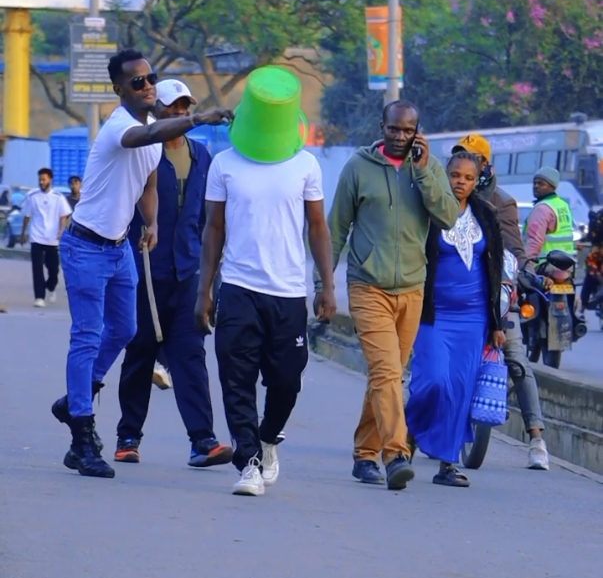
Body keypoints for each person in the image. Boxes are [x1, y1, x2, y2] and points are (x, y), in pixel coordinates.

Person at [51, 48, 233, 479]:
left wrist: (150, 223)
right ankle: (81, 435)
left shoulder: (151, 129)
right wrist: (197, 119)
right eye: (137, 82)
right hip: (85, 247)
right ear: (119, 90)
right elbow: (140, 143)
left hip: (119, 248)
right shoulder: (121, 127)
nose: (147, 85)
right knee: (88, 336)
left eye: (151, 77)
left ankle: (77, 394)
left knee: (127, 330)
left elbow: (149, 181)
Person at [195, 65, 336, 497]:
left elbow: (317, 227)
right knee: (236, 378)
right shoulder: (224, 164)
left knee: (287, 380)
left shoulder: (305, 164)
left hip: (289, 292)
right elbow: (213, 229)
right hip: (238, 288)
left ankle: (269, 437)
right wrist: (205, 290)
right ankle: (249, 462)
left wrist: (326, 286)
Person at [315, 100, 459, 490]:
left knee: (388, 375)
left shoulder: (426, 169)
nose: (399, 137)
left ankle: (365, 454)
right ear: (382, 127)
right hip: (367, 284)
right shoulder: (358, 168)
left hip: (412, 288)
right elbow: (336, 229)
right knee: (386, 371)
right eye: (393, 129)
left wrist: (425, 171)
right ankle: (396, 453)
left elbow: (448, 217)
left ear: (418, 131)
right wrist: (323, 286)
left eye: (407, 130)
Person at [115, 79, 232, 469]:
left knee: (190, 356)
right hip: (145, 270)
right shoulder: (141, 152)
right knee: (140, 352)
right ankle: (128, 436)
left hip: (188, 274)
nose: (182, 113)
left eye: (186, 107)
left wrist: (210, 280)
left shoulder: (202, 157)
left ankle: (203, 441)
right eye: (174, 108)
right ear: (157, 113)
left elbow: (210, 221)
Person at [405, 151, 505, 486]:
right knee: (434, 381)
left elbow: (495, 268)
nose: (461, 182)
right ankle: (409, 430)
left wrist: (496, 324)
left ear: (477, 182)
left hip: (474, 317)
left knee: (459, 390)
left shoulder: (487, 216)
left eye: (468, 177)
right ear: (444, 175)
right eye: (455, 175)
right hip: (434, 313)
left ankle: (446, 464)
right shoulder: (429, 211)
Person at [453, 134, 550, 470]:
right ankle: (409, 430)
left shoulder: (502, 202)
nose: (463, 170)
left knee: (517, 360)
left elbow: (515, 248)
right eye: (459, 160)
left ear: (485, 165)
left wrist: (528, 273)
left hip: (495, 296)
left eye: (471, 159)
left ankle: (536, 438)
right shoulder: (444, 197)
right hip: (454, 294)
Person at [20, 168, 71, 307]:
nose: (42, 182)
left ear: (50, 179)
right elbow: (27, 216)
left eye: (44, 179)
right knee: (37, 268)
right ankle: (39, 297)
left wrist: (61, 230)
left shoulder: (58, 197)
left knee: (53, 269)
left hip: (52, 238)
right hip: (36, 236)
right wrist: (23, 233)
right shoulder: (32, 196)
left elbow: (63, 216)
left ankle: (51, 286)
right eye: (40, 179)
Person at [523, 167, 575, 263]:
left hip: (544, 265)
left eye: (541, 184)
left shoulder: (542, 208)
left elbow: (534, 241)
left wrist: (524, 263)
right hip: (565, 263)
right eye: (534, 183)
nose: (536, 186)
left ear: (552, 187)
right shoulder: (562, 205)